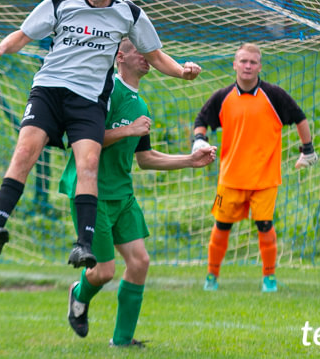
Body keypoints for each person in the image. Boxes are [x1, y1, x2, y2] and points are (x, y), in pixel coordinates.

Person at [0, 0, 201, 269]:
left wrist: (182, 71)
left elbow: (154, 55)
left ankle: (83, 245)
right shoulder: (60, 3)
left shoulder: (129, 14)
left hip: (87, 99)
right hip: (48, 90)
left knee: (89, 163)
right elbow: (22, 36)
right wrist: (2, 47)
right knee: (24, 151)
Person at [61, 39, 216, 348]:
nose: (149, 58)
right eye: (140, 52)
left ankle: (121, 342)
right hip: (90, 194)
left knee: (140, 262)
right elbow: (80, 139)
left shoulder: (141, 105)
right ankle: (78, 294)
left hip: (123, 194)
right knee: (104, 271)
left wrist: (189, 161)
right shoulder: (103, 92)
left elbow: (145, 159)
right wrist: (127, 130)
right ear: (120, 56)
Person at [191, 43, 318, 293]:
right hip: (230, 178)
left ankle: (269, 279)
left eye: (252, 62)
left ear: (260, 66)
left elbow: (300, 118)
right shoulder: (222, 96)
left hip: (265, 178)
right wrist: (199, 141)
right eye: (243, 61)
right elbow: (201, 120)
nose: (248, 66)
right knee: (221, 226)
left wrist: (308, 150)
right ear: (235, 64)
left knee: (265, 226)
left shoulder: (275, 95)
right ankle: (211, 276)